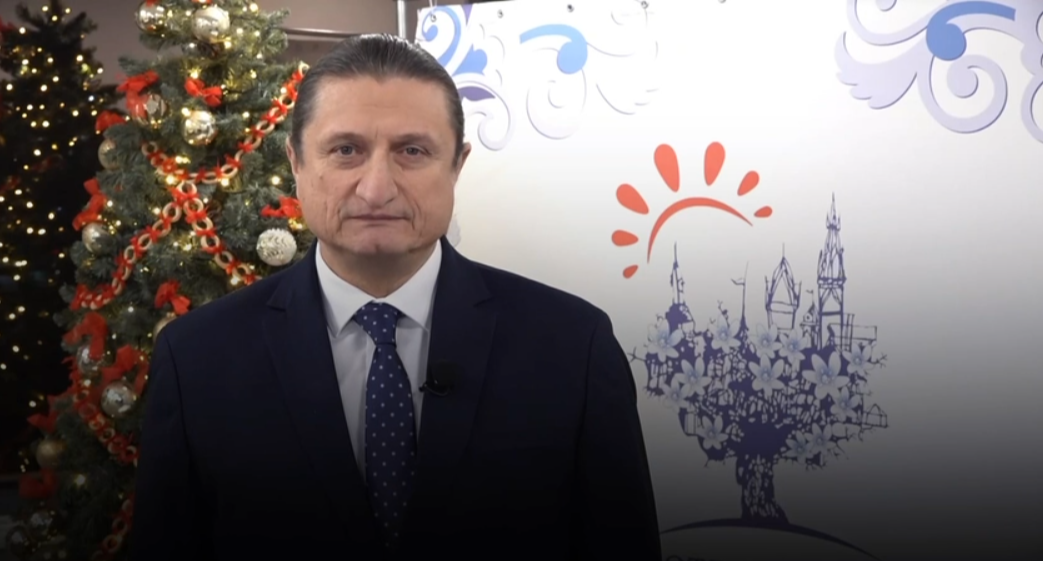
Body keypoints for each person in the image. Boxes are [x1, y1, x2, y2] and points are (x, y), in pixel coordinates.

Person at [130, 33, 661, 561]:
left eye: (412, 151)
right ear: (295, 162)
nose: (376, 188)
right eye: (346, 150)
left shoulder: (574, 348)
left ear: (457, 166)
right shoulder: (196, 359)